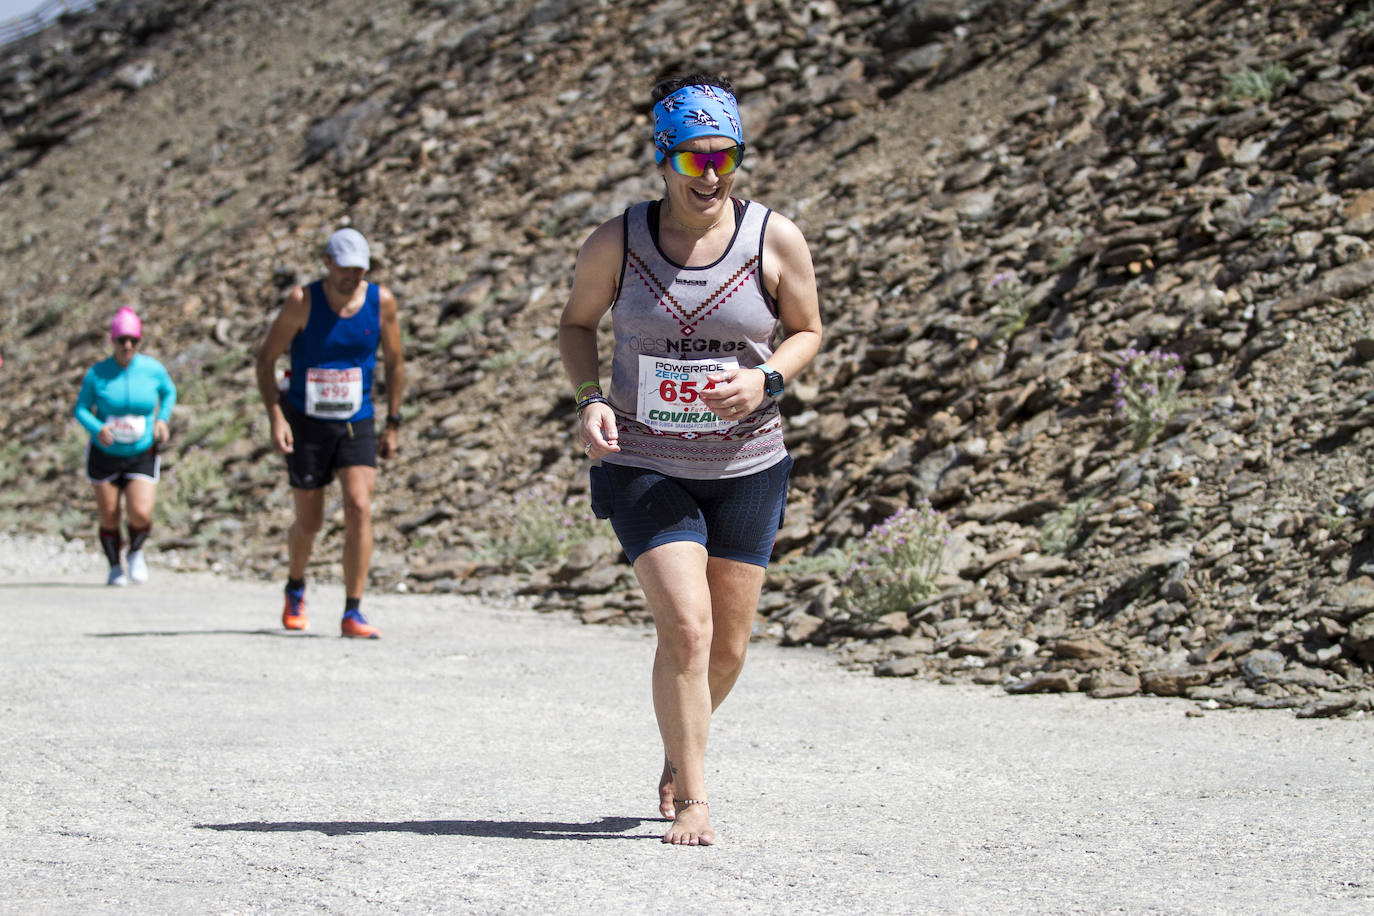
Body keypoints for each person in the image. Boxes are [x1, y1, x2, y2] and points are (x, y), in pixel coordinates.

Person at [558, 74, 823, 846]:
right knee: (687, 627)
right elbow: (576, 327)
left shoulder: (775, 237)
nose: (711, 175)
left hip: (748, 461)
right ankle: (696, 799)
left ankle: (679, 750)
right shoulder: (620, 241)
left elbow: (807, 330)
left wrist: (767, 377)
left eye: (725, 157)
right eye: (694, 159)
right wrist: (590, 398)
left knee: (730, 646)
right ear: (662, 158)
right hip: (644, 458)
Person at [254, 227, 404, 639]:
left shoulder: (381, 302)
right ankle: (296, 586)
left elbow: (394, 362)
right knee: (310, 520)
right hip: (306, 421)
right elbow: (265, 359)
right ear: (327, 263)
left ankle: (352, 611)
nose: (351, 278)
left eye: (359, 270)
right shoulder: (303, 301)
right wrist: (275, 417)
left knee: (359, 506)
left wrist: (393, 420)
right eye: (344, 269)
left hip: (358, 419)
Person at [74, 306, 177, 586]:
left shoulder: (152, 369)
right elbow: (81, 408)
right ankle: (114, 566)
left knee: (140, 511)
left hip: (141, 451)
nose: (127, 346)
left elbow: (169, 392)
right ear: (113, 341)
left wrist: (163, 420)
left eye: (133, 340)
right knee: (109, 515)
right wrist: (98, 428)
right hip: (105, 453)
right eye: (122, 340)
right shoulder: (98, 373)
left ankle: (135, 552)